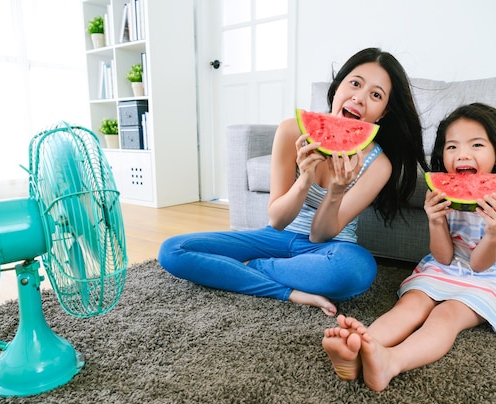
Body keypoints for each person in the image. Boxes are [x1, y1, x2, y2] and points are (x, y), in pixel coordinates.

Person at [158, 47, 428, 316]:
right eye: (355, 83)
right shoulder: (291, 131)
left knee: (355, 271)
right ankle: (289, 288)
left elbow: (320, 235)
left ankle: (251, 268)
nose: (359, 98)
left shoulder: (378, 165)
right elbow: (277, 220)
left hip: (331, 248)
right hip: (274, 238)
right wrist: (305, 178)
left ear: (382, 113)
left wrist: (336, 190)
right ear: (337, 88)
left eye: (376, 95)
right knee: (172, 250)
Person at [322, 102, 496, 390]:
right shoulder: (445, 193)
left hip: (488, 277)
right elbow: (444, 256)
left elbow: (479, 264)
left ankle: (392, 361)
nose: (462, 154)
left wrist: (495, 232)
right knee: (409, 307)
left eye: (476, 145)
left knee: (445, 316)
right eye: (451, 147)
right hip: (443, 267)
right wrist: (435, 221)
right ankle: (359, 348)